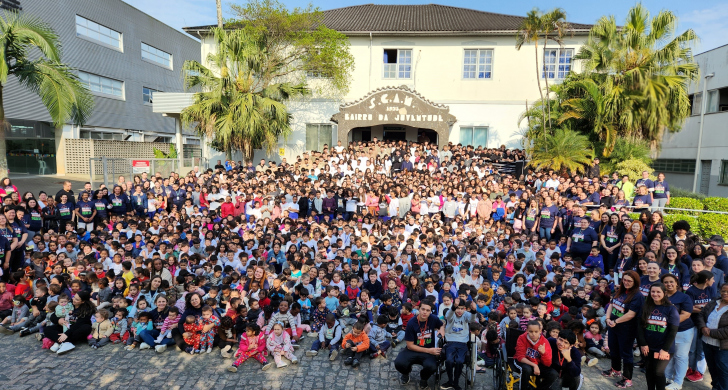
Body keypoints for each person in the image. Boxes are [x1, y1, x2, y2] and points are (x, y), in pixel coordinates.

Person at [603, 270, 645, 388]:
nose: (626, 282)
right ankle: (615, 369)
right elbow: (611, 304)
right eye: (624, 280)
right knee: (613, 348)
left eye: (629, 281)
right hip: (613, 326)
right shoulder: (620, 291)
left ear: (635, 282)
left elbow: (631, 314)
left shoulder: (638, 296)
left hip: (627, 329)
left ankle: (627, 378)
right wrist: (607, 319)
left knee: (626, 353)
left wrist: (615, 321)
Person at [636, 282, 680, 390]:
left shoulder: (671, 309)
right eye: (653, 291)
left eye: (658, 292)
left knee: (658, 372)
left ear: (664, 293)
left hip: (663, 348)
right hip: (647, 346)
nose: (655, 294)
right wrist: (643, 344)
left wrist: (665, 349)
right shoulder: (646, 306)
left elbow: (672, 331)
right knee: (649, 370)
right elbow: (639, 327)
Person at [394, 300, 444, 388]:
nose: (425, 312)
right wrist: (429, 350)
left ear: (431, 311)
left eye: (428, 310)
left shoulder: (433, 318)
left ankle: (424, 378)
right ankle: (406, 373)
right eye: (423, 309)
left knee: (432, 366)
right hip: (413, 349)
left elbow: (442, 323)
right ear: (419, 309)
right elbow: (410, 345)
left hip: (428, 352)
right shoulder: (411, 323)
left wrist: (441, 329)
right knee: (399, 363)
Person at [694, 283, 728, 390]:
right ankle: (715, 387)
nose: (725, 293)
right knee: (712, 369)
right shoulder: (714, 302)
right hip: (707, 343)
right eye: (723, 291)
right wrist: (703, 327)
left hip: (722, 347)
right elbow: (700, 315)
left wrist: (710, 332)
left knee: (723, 371)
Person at [44, 290, 95, 355]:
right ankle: (65, 342)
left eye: (77, 299)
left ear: (82, 301)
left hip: (76, 329)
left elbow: (78, 324)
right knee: (47, 329)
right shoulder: (68, 304)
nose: (73, 300)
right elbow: (53, 315)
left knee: (86, 328)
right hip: (65, 326)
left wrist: (66, 334)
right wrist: (59, 320)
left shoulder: (87, 310)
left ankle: (60, 342)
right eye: (74, 297)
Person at [514, 320, 558, 390]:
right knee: (527, 369)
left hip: (537, 363)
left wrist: (544, 353)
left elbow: (548, 363)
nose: (533, 334)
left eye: (536, 332)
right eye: (531, 331)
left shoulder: (544, 341)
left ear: (540, 331)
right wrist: (534, 365)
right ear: (527, 330)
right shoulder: (522, 338)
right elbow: (520, 357)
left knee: (554, 374)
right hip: (524, 361)